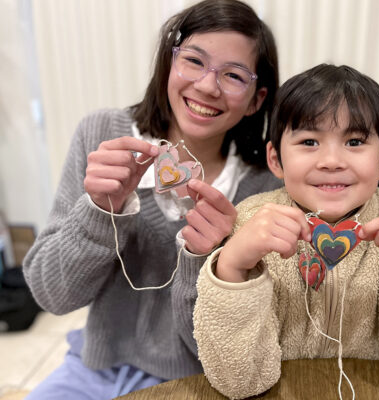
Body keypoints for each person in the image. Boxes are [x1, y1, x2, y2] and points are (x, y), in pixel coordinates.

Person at [22, 0, 281, 398]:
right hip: (93, 369)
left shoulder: (264, 185)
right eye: (194, 61)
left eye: (233, 75)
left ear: (257, 99)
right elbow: (52, 296)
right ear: (169, 64)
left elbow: (233, 348)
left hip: (198, 381)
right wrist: (100, 211)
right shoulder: (103, 135)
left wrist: (210, 261)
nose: (208, 86)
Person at [192, 64, 379, 399]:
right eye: (309, 141)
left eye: (354, 141)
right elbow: (237, 382)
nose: (332, 160)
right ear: (276, 159)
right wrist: (231, 266)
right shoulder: (252, 220)